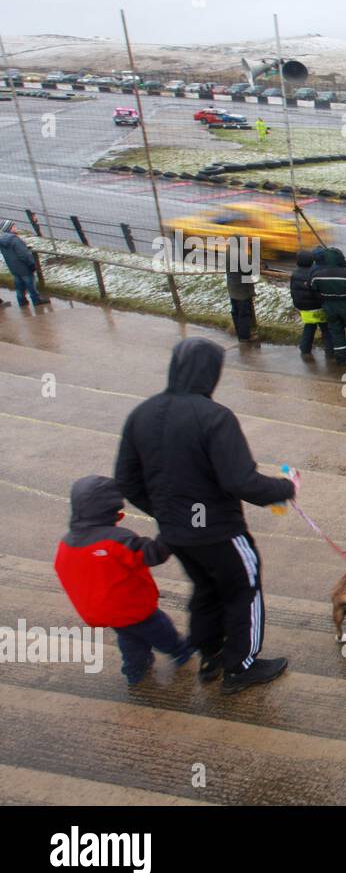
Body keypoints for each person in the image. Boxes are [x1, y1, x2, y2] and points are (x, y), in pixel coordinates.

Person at [114, 338, 297, 695]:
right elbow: (239, 479)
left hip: (177, 533)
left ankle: (210, 655)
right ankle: (241, 666)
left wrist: (165, 512)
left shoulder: (142, 414)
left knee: (206, 590)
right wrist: (283, 489)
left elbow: (127, 479)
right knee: (244, 591)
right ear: (210, 372)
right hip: (221, 530)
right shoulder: (214, 417)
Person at [54, 475, 193, 685]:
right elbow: (153, 554)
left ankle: (134, 671)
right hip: (134, 608)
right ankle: (180, 651)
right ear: (112, 508)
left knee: (129, 639)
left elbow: (64, 569)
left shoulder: (67, 543)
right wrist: (169, 531)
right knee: (159, 628)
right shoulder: (117, 539)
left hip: (106, 613)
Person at [309, 247, 346, 366]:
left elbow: (313, 289)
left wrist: (324, 300)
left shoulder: (317, 275)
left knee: (336, 332)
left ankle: (341, 358)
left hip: (330, 307)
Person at [289, 248, 333, 357]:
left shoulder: (294, 274)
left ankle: (305, 349)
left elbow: (293, 291)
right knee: (326, 329)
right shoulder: (315, 273)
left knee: (309, 327)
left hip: (304, 308)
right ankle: (330, 351)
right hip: (318, 307)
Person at [0, 219, 47, 306]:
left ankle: (21, 301)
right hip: (24, 268)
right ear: (9, 229)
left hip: (13, 268)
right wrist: (32, 265)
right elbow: (24, 255)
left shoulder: (2, 241)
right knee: (31, 286)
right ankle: (36, 300)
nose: (15, 227)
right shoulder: (15, 240)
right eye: (13, 226)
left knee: (19, 286)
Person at [226, 264, 256, 342]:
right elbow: (249, 270)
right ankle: (245, 337)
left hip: (232, 288)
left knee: (236, 313)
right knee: (244, 314)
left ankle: (240, 333)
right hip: (241, 290)